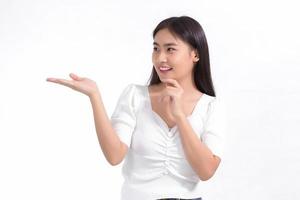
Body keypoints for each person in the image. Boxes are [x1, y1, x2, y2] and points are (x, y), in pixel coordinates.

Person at [46, 16, 227, 200]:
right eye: (156, 49)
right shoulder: (135, 96)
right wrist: (94, 96)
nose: (160, 58)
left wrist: (180, 116)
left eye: (170, 49)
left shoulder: (211, 106)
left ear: (195, 54)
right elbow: (114, 156)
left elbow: (206, 171)